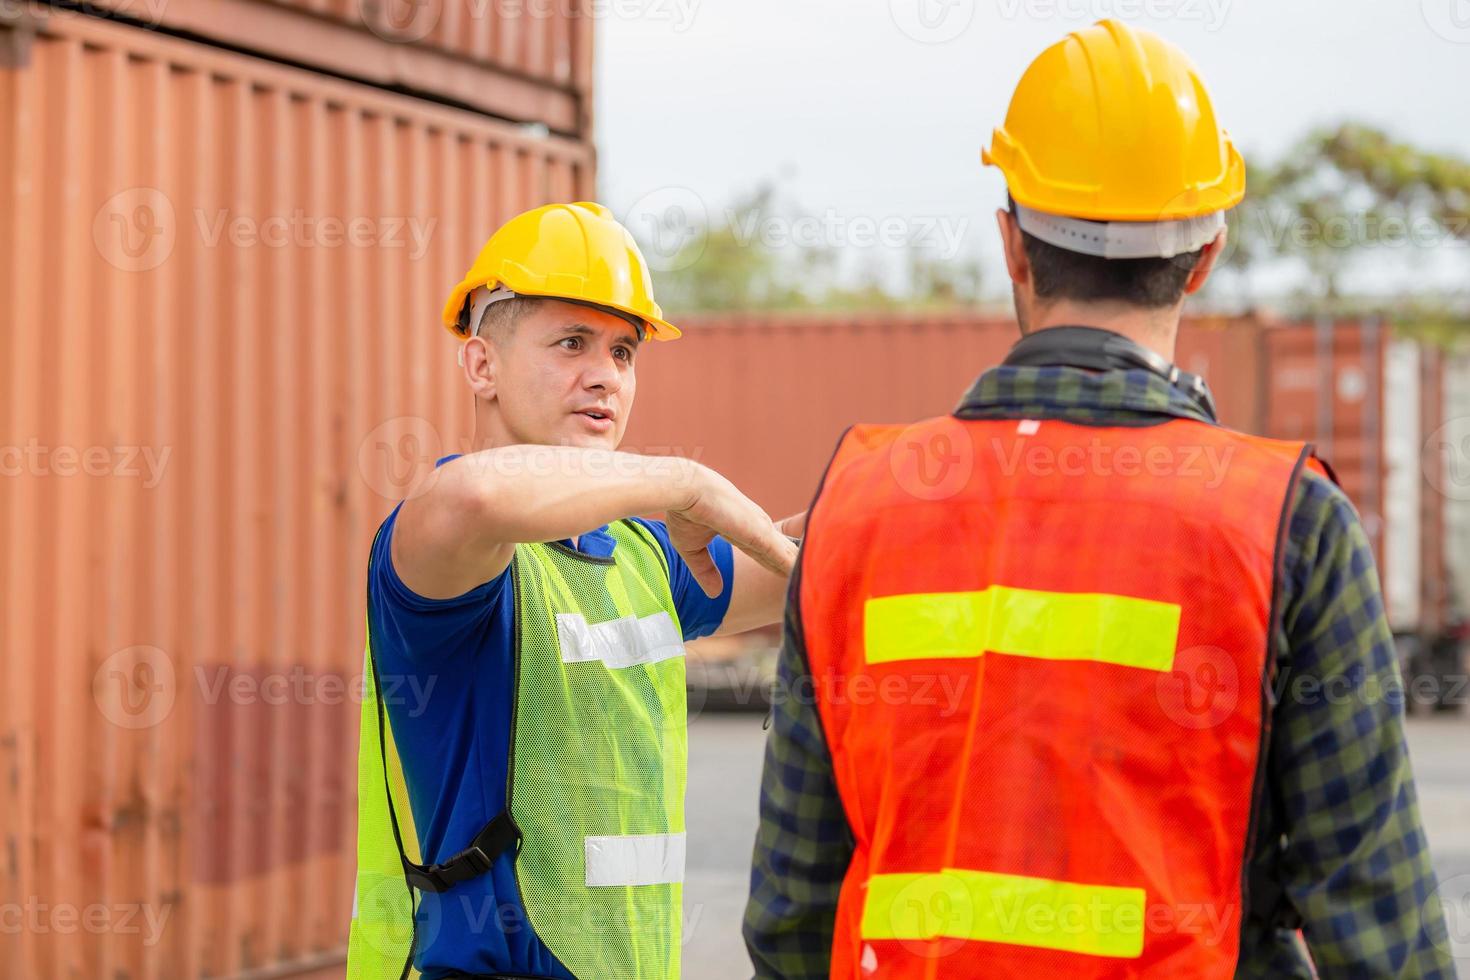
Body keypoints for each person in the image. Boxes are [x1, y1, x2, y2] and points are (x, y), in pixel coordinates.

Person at [744, 20, 1455, 978]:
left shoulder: (859, 505)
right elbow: (1379, 926)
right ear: (1205, 256)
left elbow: (793, 912)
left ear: (1011, 244)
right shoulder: (1287, 520)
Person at [346, 202, 800, 980]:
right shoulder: (449, 545)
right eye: (571, 343)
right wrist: (681, 480)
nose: (605, 374)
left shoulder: (638, 553)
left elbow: (802, 563)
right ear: (481, 365)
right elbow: (477, 499)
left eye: (624, 351)